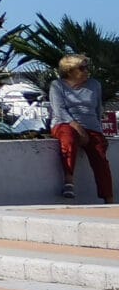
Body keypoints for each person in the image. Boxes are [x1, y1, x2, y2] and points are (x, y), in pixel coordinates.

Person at [48, 54, 112, 204]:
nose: (86, 71)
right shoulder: (57, 86)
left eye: (87, 67)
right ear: (70, 70)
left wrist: (99, 132)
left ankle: (109, 198)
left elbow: (97, 109)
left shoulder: (94, 85)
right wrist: (78, 127)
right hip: (64, 123)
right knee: (68, 137)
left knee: (100, 155)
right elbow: (59, 110)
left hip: (91, 125)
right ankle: (69, 181)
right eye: (82, 68)